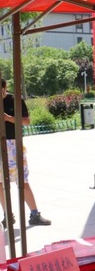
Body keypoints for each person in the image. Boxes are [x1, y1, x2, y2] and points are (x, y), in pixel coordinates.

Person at [0, 79, 50, 228]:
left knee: (22, 180)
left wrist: (8, 118)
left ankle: (34, 214)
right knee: (0, 183)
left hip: (14, 144)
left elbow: (27, 121)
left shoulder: (15, 100)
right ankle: (7, 215)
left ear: (5, 88)